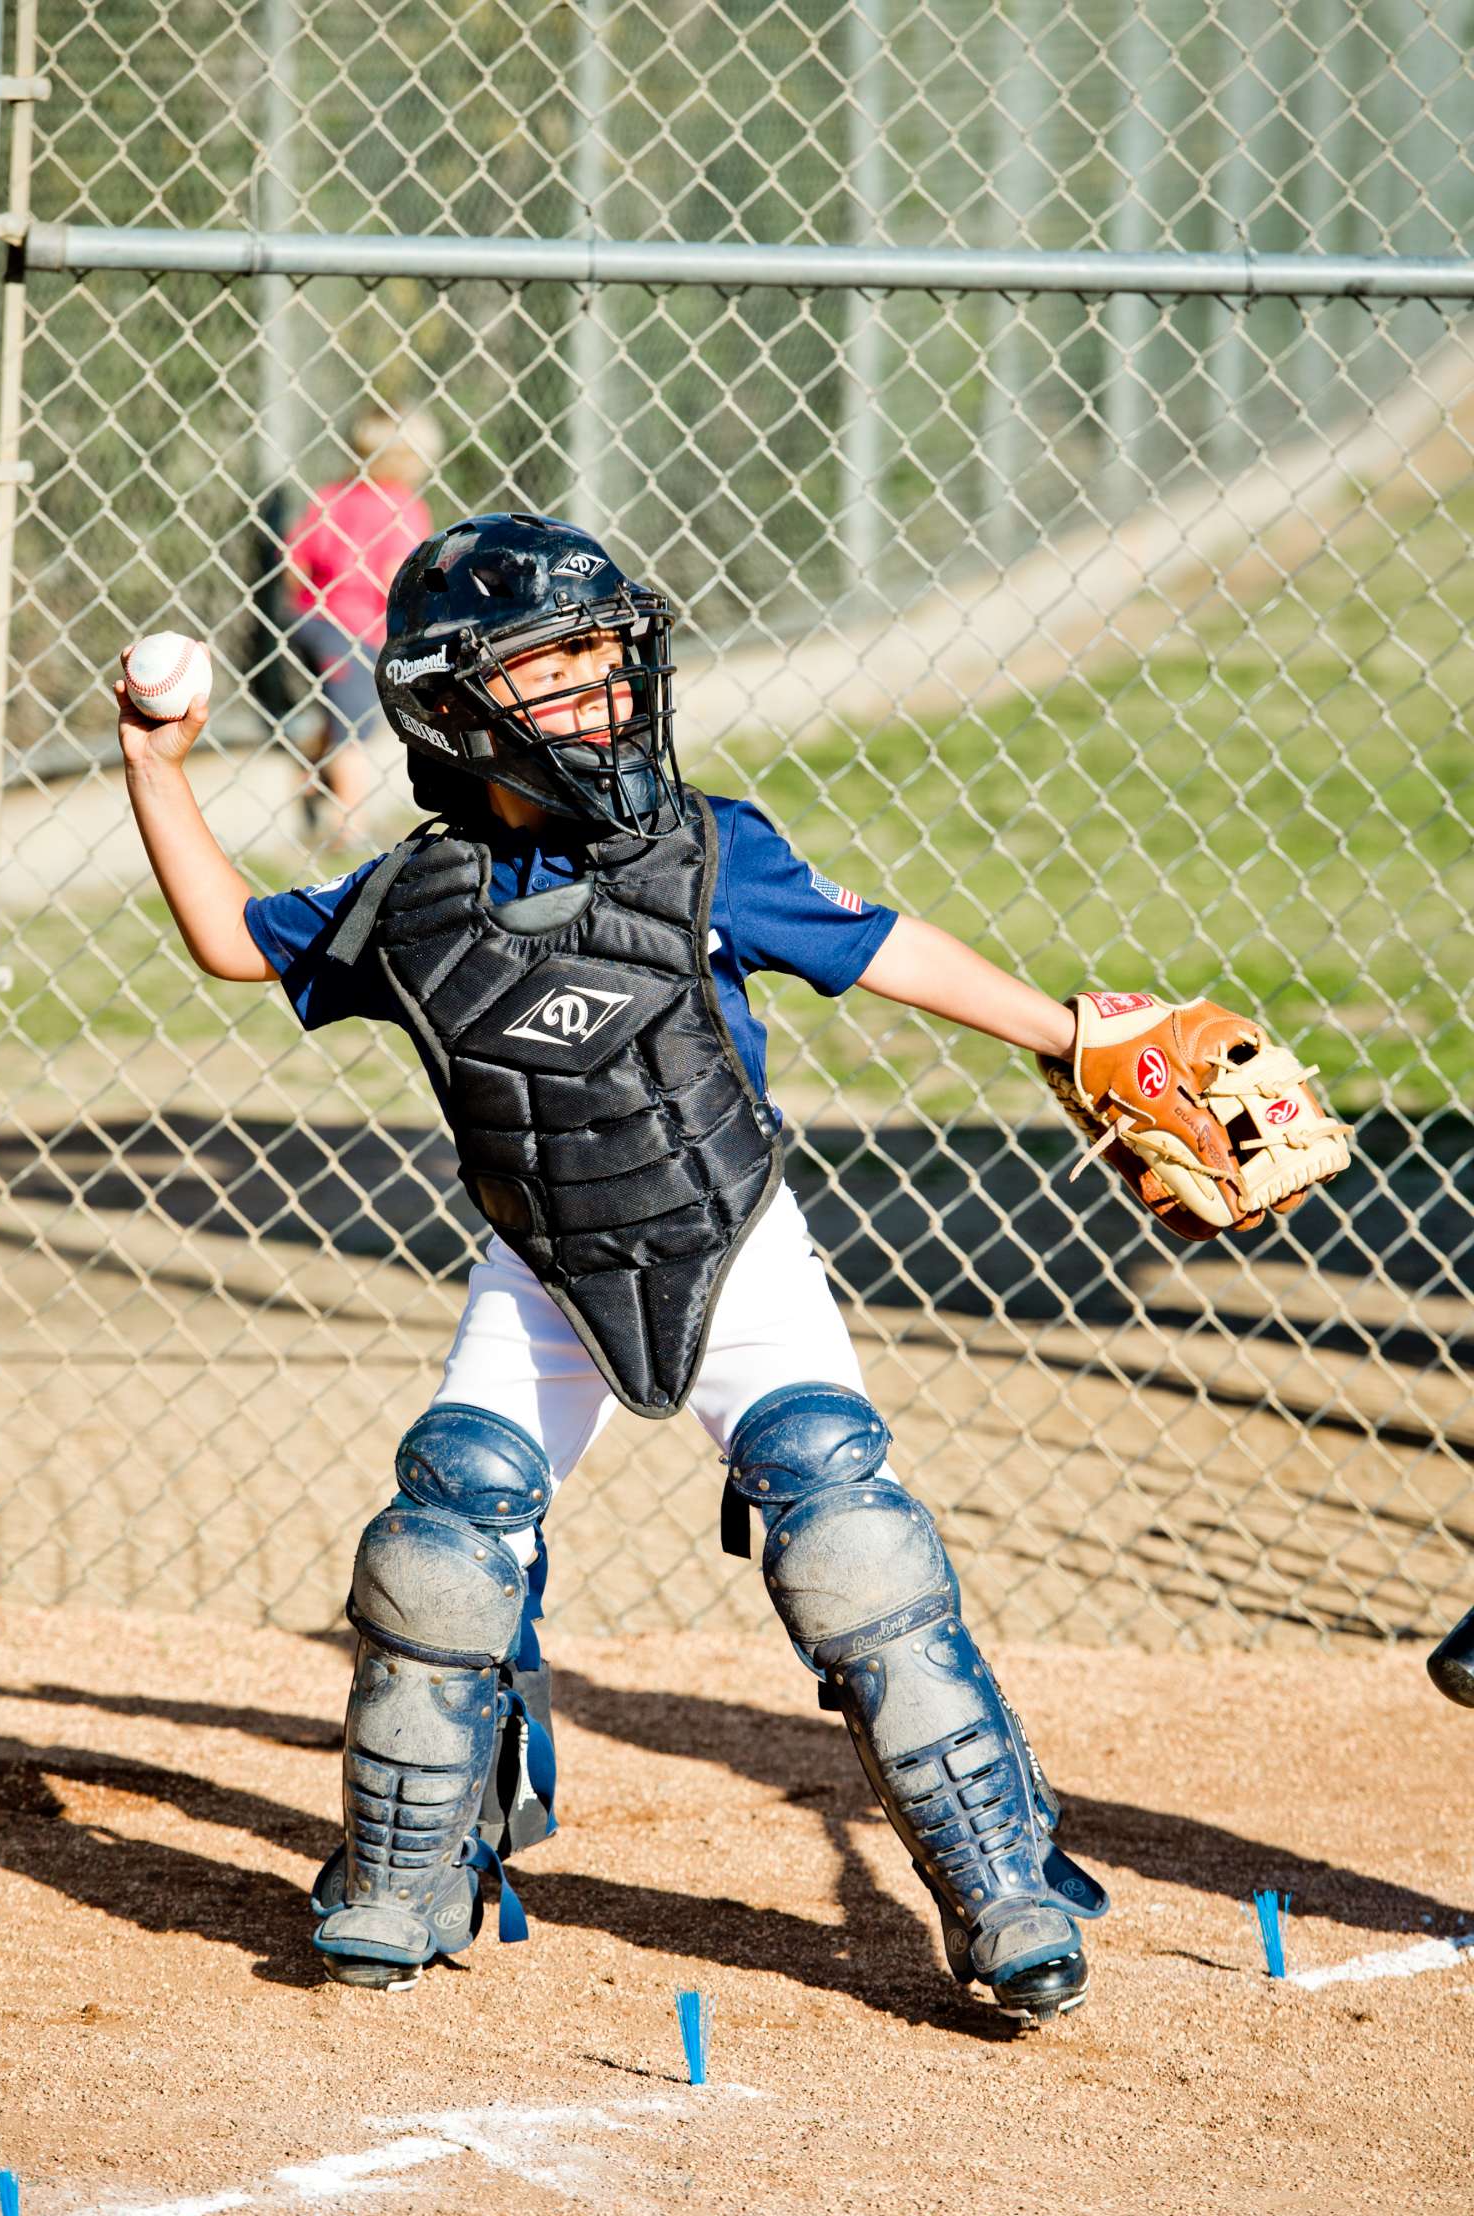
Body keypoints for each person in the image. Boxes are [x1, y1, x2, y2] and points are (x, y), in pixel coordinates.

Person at [117, 510, 1119, 2031]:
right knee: (441, 1547)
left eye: (611, 660)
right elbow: (230, 944)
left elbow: (887, 946)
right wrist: (155, 762)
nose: (605, 694)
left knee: (849, 1537)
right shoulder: (414, 902)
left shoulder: (710, 851)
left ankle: (1007, 1890)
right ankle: (405, 1874)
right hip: (541, 1268)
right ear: (455, 706)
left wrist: (1071, 1037)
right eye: (557, 670)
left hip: (734, 1251)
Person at [284, 405, 442, 848]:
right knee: (353, 731)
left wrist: (313, 596)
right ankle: (350, 828)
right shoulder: (404, 508)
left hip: (310, 620)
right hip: (354, 629)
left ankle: (309, 781)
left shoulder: (332, 495)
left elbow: (295, 559)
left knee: (339, 718)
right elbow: (400, 574)